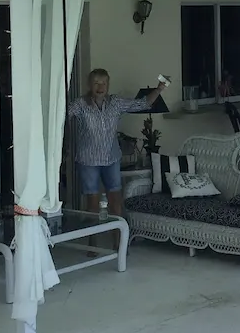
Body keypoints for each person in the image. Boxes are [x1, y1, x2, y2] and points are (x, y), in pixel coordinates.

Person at [67, 68, 167, 222]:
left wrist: (160, 88)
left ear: (108, 85)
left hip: (111, 159)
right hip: (88, 161)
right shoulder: (80, 104)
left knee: (115, 203)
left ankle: (118, 243)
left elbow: (143, 104)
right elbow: (60, 114)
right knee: (92, 206)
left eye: (104, 83)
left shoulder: (116, 103)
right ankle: (92, 244)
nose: (100, 87)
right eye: (96, 83)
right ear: (89, 85)